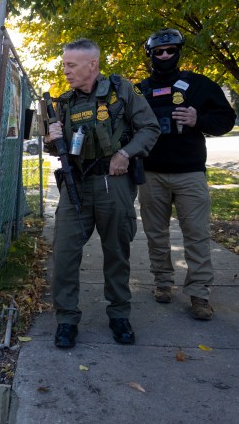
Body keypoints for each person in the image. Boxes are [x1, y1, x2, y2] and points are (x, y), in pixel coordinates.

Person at [44, 38, 160, 349]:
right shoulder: (64, 102)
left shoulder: (122, 91)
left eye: (71, 65)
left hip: (114, 183)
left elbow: (150, 128)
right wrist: (50, 138)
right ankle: (66, 319)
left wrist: (126, 153)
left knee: (116, 252)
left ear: (92, 65)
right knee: (65, 253)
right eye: (64, 64)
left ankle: (119, 314)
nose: (65, 70)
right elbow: (58, 148)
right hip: (75, 185)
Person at [136, 28, 236, 320]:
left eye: (170, 50)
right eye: (159, 52)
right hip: (152, 174)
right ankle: (163, 283)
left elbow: (226, 119)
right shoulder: (140, 91)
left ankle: (200, 295)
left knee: (196, 235)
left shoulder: (198, 85)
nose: (165, 55)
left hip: (190, 173)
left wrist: (198, 119)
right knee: (156, 235)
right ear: (151, 55)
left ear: (179, 52)